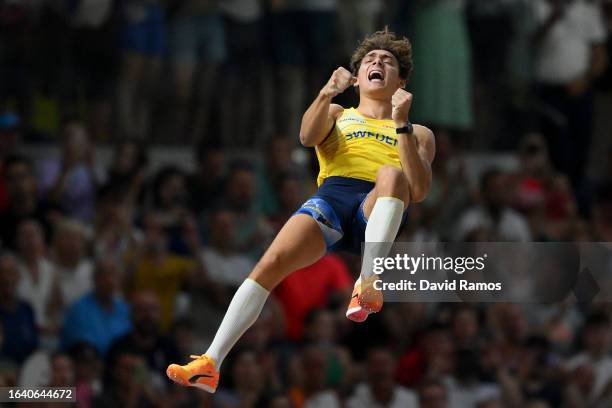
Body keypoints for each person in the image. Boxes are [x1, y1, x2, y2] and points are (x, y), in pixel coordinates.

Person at [166, 28, 436, 393]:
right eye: (370, 60)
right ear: (356, 79)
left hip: (382, 203)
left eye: (387, 62)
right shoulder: (340, 112)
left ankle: (367, 281)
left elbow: (418, 190)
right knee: (269, 263)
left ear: (401, 80)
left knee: (391, 174)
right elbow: (306, 138)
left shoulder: (419, 132)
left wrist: (401, 123)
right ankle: (210, 362)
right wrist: (326, 91)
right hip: (335, 195)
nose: (377, 63)